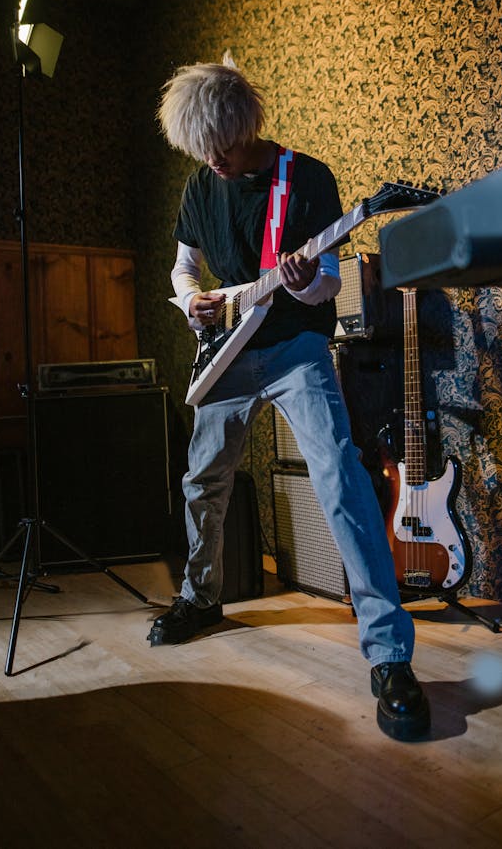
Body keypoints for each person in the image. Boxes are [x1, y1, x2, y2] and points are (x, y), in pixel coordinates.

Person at [152, 53, 430, 741]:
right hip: (227, 352)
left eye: (223, 144)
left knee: (341, 479)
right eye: (200, 148)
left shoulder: (304, 178)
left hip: (296, 349)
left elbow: (329, 280)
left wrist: (302, 279)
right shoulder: (199, 184)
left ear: (249, 122)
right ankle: (201, 598)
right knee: (202, 482)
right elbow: (185, 265)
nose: (213, 159)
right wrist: (194, 304)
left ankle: (390, 655)